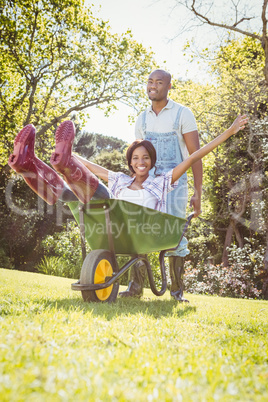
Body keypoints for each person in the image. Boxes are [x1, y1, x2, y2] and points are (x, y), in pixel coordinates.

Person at [8, 116, 248, 281]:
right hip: (108, 227)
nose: (140, 162)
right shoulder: (121, 179)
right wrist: (63, 155)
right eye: (135, 158)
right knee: (72, 193)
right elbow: (89, 167)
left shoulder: (161, 182)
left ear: (151, 161)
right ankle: (28, 164)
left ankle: (54, 162)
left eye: (145, 158)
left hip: (134, 229)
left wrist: (229, 131)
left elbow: (194, 156)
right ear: (130, 161)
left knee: (93, 195)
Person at [119, 69, 203, 301]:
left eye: (159, 82)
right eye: (149, 81)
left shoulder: (182, 114)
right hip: (148, 185)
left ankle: (176, 292)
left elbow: (195, 156)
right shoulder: (142, 118)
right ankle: (135, 287)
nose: (152, 86)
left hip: (175, 186)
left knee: (175, 234)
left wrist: (197, 192)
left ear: (168, 86)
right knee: (137, 231)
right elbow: (137, 158)